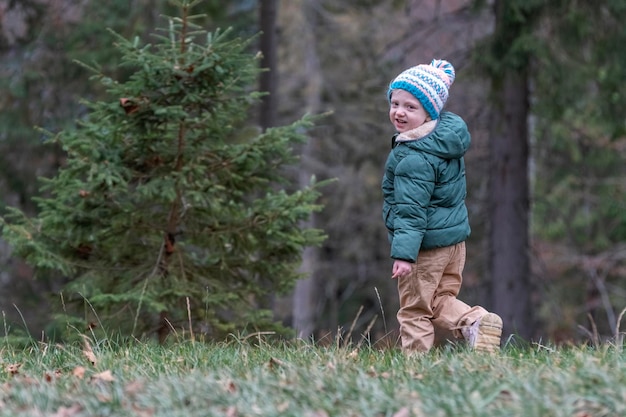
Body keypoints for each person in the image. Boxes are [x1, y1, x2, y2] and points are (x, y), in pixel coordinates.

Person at [382, 59, 502, 353]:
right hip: (453, 243)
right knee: (438, 302)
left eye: (410, 107)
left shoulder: (413, 157)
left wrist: (405, 255)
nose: (399, 112)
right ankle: (476, 322)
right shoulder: (445, 140)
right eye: (395, 103)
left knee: (414, 310)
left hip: (424, 247)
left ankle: (415, 369)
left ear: (428, 112)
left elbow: (411, 210)